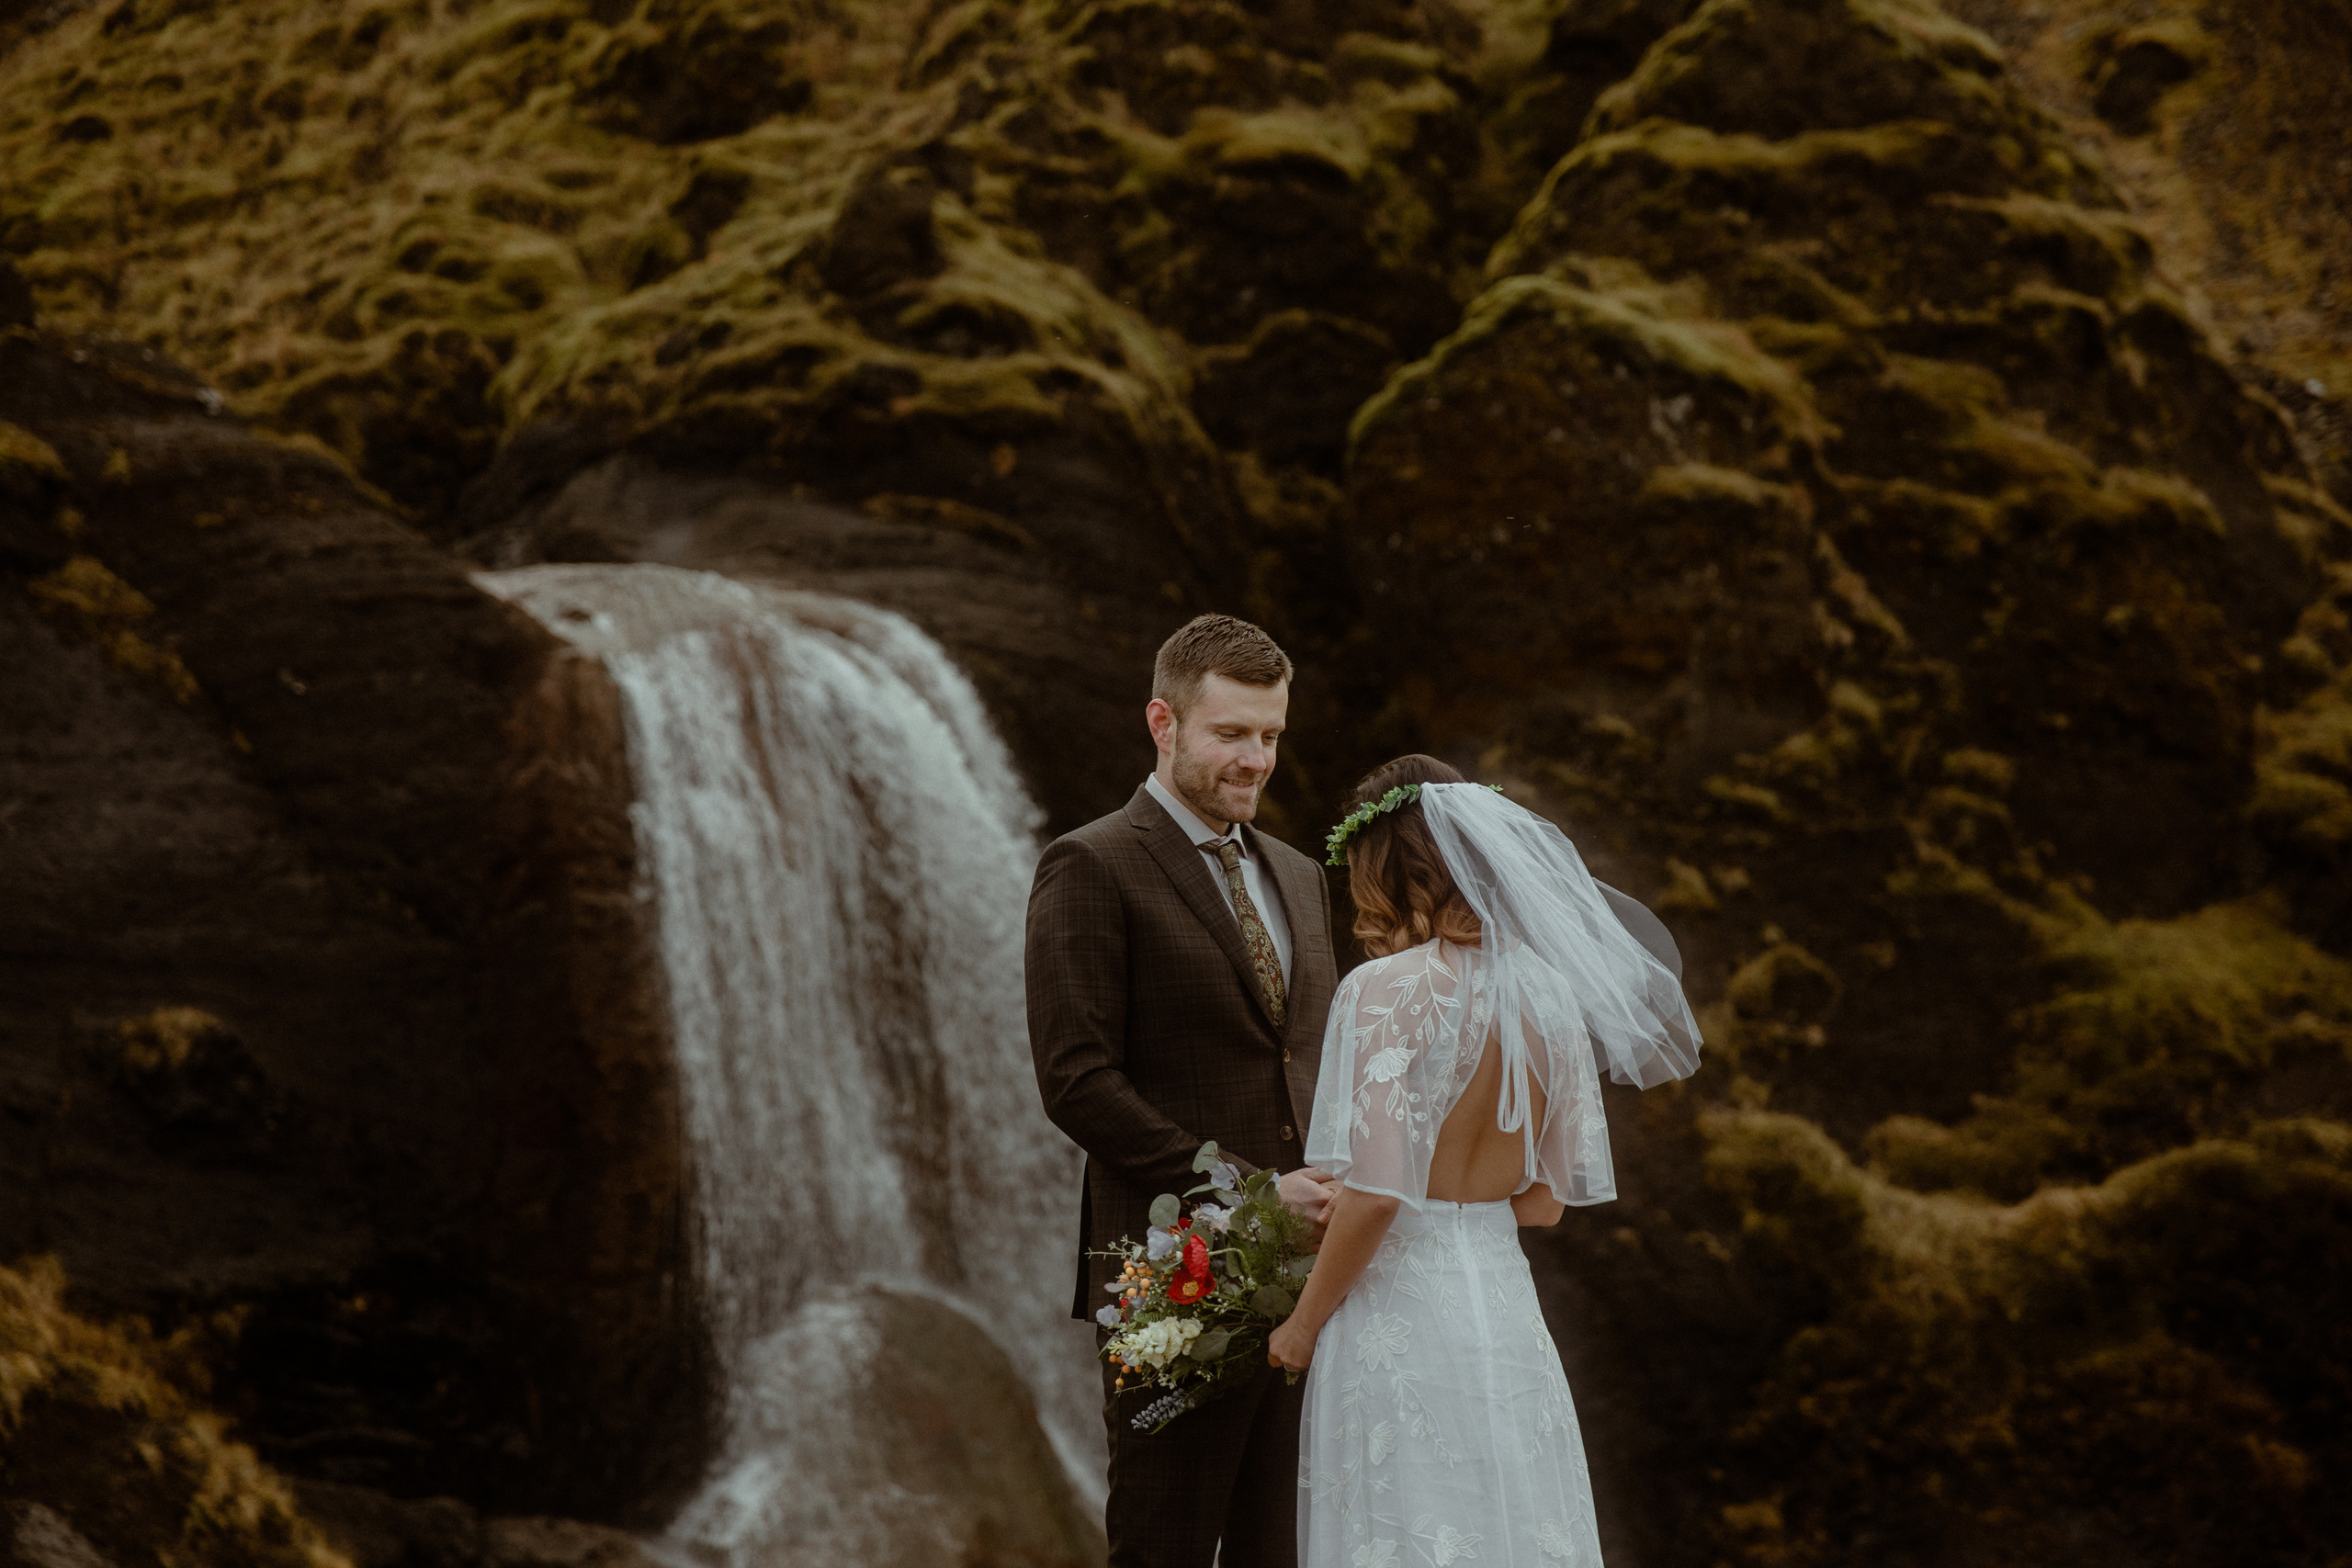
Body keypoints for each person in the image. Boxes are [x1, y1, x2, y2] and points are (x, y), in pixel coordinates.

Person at [1268, 755, 1703, 1568]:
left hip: (1393, 1313)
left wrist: (1299, 1327)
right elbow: (1544, 1205)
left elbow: (1377, 1197)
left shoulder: (1384, 990)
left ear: (1389, 873)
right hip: (1502, 1311)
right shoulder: (1551, 999)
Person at [1026, 614, 1344, 1568]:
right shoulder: (1090, 864)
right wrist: (1250, 1195)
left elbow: (1309, 1064)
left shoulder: (1297, 873)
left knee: (1281, 1549)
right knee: (1163, 1546)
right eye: (1230, 734)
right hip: (1174, 1279)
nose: (1255, 760)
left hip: (1316, 1281)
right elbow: (1076, 1082)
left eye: (1271, 736)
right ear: (1162, 723)